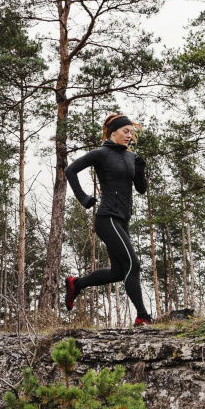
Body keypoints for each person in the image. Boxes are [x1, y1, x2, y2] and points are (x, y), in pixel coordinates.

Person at [63, 113, 152, 325]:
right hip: (107, 218)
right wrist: (83, 197)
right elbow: (70, 170)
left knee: (119, 272)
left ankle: (77, 284)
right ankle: (142, 316)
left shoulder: (131, 157)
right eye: (125, 131)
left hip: (123, 220)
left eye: (131, 132)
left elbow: (140, 189)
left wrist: (140, 169)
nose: (129, 135)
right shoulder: (101, 154)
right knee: (133, 264)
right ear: (114, 132)